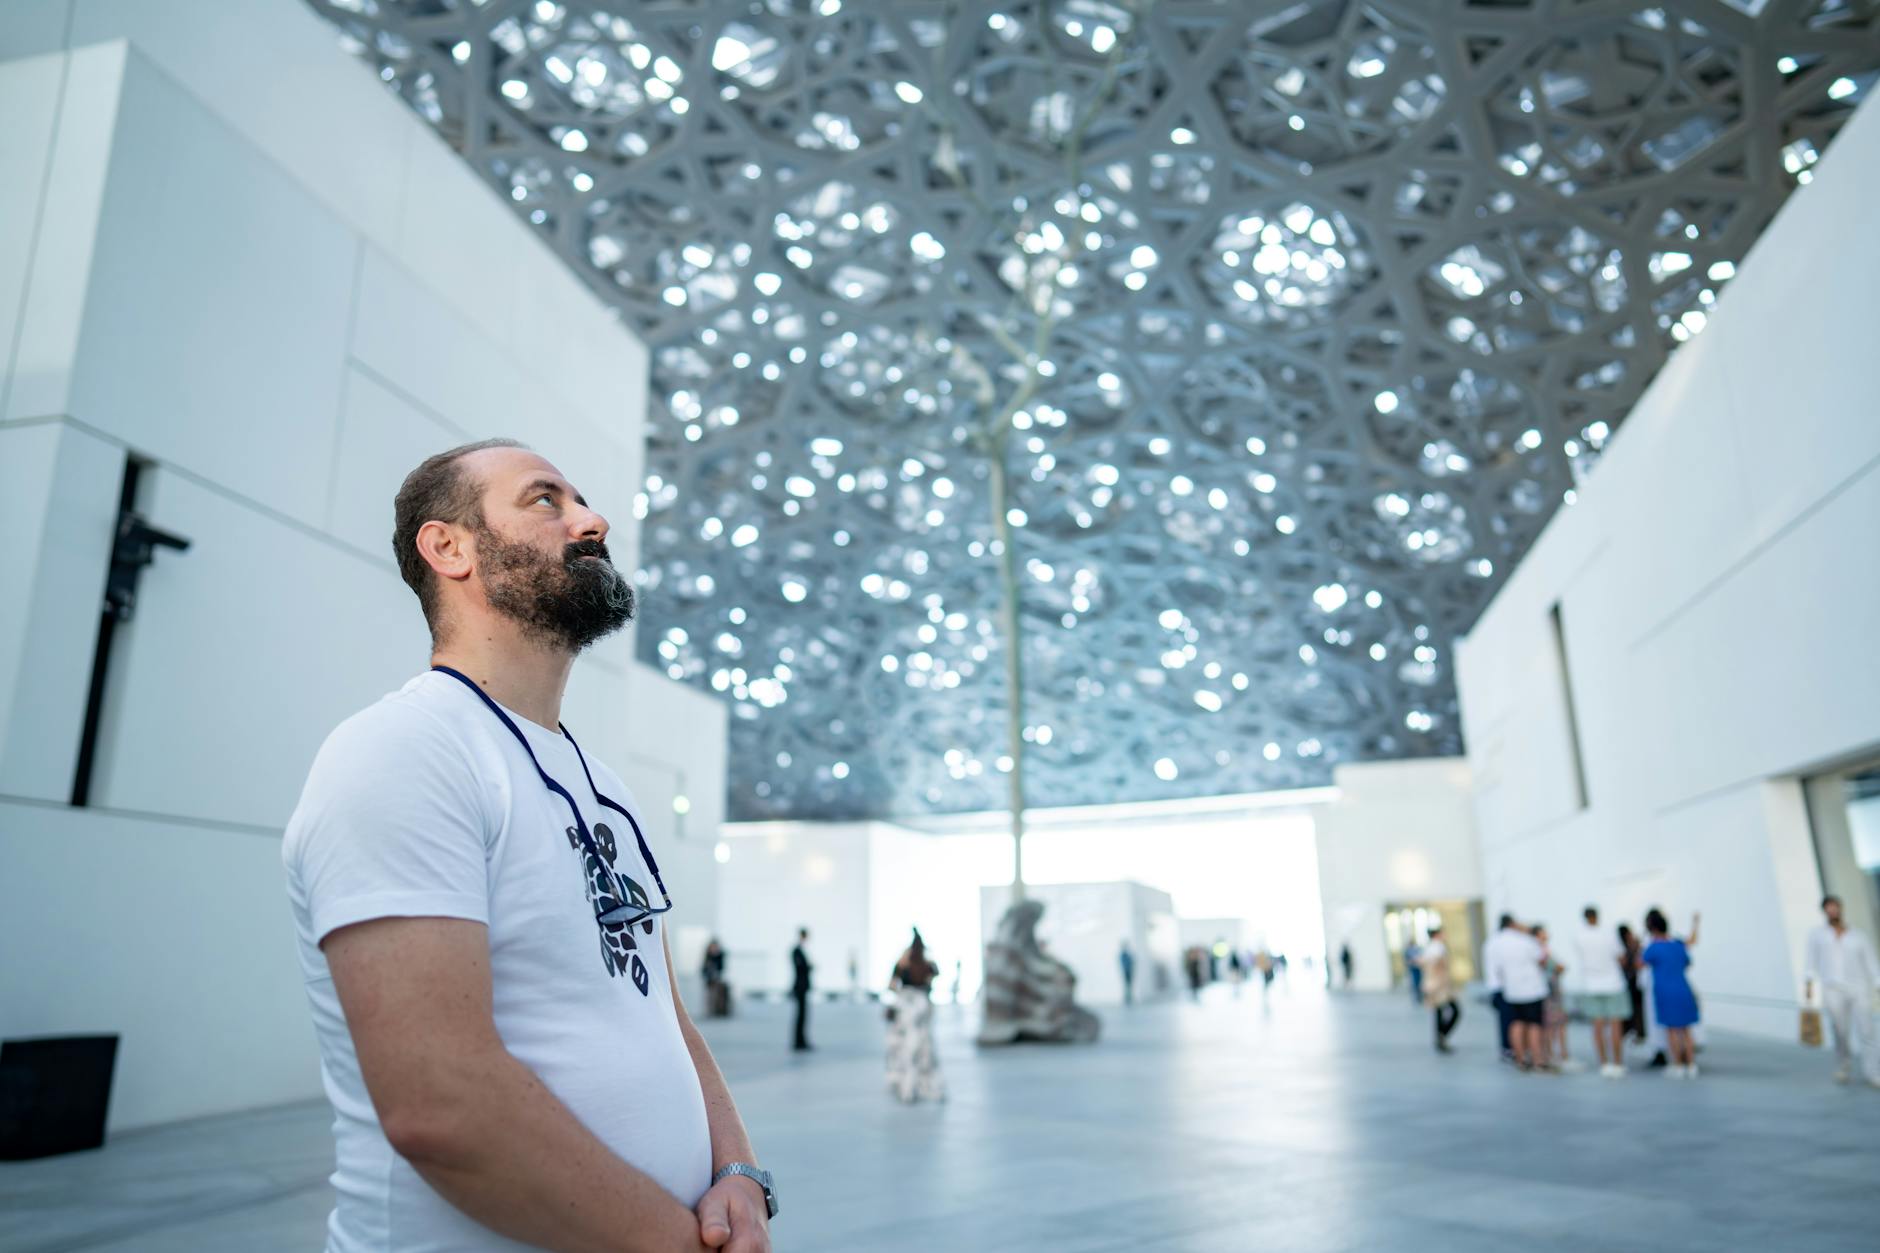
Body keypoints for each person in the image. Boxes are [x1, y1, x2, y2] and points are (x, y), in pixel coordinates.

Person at [283, 440, 774, 1252]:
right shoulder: (404, 750)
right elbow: (443, 1105)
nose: (593, 519)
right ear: (449, 547)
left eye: (581, 500)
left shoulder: (603, 783)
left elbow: (663, 1014)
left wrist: (739, 1170)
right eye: (546, 500)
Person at [1804, 894, 1880, 1088]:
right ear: (1824, 911)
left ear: (1840, 908)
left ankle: (1873, 1072)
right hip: (1833, 989)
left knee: (1867, 1030)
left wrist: (1877, 983)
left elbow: (1871, 962)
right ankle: (1843, 1065)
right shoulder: (1817, 935)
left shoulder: (1858, 935)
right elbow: (1811, 961)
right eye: (1828, 908)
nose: (1832, 911)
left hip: (1859, 988)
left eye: (1835, 907)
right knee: (1840, 1031)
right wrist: (1809, 985)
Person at [885, 930, 945, 1104]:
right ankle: (923, 1087)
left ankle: (907, 1088)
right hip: (921, 1007)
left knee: (907, 1049)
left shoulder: (904, 962)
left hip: (907, 1008)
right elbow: (933, 978)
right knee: (924, 1049)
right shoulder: (927, 962)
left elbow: (892, 985)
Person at [1641, 908, 1701, 1077]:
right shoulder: (1678, 945)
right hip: (1684, 989)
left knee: (1672, 1030)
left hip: (1665, 991)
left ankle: (1677, 1065)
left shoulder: (1653, 948)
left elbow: (1640, 963)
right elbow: (1689, 955)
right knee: (1686, 1030)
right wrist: (1696, 923)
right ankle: (1691, 1065)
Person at [1483, 915, 1549, 1071]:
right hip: (1531, 990)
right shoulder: (1526, 941)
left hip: (1510, 990)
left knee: (1515, 1023)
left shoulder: (1493, 942)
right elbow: (1541, 959)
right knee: (1534, 1025)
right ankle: (1537, 1060)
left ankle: (1519, 1058)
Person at [1572, 907, 1629, 1078]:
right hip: (1613, 984)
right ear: (1597, 916)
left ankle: (1604, 1064)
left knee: (1597, 1027)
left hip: (1591, 985)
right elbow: (1621, 958)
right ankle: (1618, 1063)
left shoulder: (1579, 936)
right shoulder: (1608, 934)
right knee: (1615, 1026)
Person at [1535, 925, 1574, 1071]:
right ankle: (1554, 1055)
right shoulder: (1539, 952)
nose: (1546, 936)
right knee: (1552, 1024)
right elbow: (1558, 967)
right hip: (1549, 993)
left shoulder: (1545, 950)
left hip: (1552, 992)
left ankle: (1559, 1054)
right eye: (1543, 934)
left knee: (1558, 1023)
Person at [1417, 924, 1460, 1053]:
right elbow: (1435, 966)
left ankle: (1440, 1039)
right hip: (1440, 986)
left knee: (1439, 1012)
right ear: (1437, 934)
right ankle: (1442, 1037)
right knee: (1454, 1011)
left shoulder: (1430, 948)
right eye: (1442, 933)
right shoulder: (1437, 948)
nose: (1445, 935)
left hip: (1433, 985)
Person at [1617, 922, 1647, 1043]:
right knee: (1636, 1009)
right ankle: (1636, 1032)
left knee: (1634, 1009)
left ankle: (1632, 1032)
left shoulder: (1624, 948)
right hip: (1632, 983)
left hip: (1630, 983)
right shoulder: (1627, 948)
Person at [790, 928, 813, 1052]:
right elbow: (800, 967)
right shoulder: (796, 951)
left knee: (803, 1015)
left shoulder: (799, 950)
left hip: (802, 986)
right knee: (800, 1015)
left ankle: (801, 1041)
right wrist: (808, 967)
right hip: (800, 986)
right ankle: (798, 1042)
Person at [702, 938, 730, 1019]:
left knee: (719, 993)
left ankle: (719, 1011)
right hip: (709, 979)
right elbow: (704, 969)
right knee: (711, 995)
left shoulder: (720, 955)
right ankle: (710, 1011)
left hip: (718, 979)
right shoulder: (708, 955)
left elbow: (721, 968)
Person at [1404, 937, 1425, 1007]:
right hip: (1413, 968)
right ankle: (1417, 997)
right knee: (1415, 984)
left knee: (1419, 983)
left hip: (1417, 967)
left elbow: (1421, 957)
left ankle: (1420, 997)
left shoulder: (1417, 949)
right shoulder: (1408, 950)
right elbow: (1407, 960)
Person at [1118, 939, 1137, 1006]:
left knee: (1129, 985)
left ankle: (1129, 998)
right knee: (1127, 985)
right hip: (1126, 971)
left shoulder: (1127, 954)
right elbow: (1124, 963)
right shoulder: (1123, 954)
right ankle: (1127, 998)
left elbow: (1131, 962)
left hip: (1129, 971)